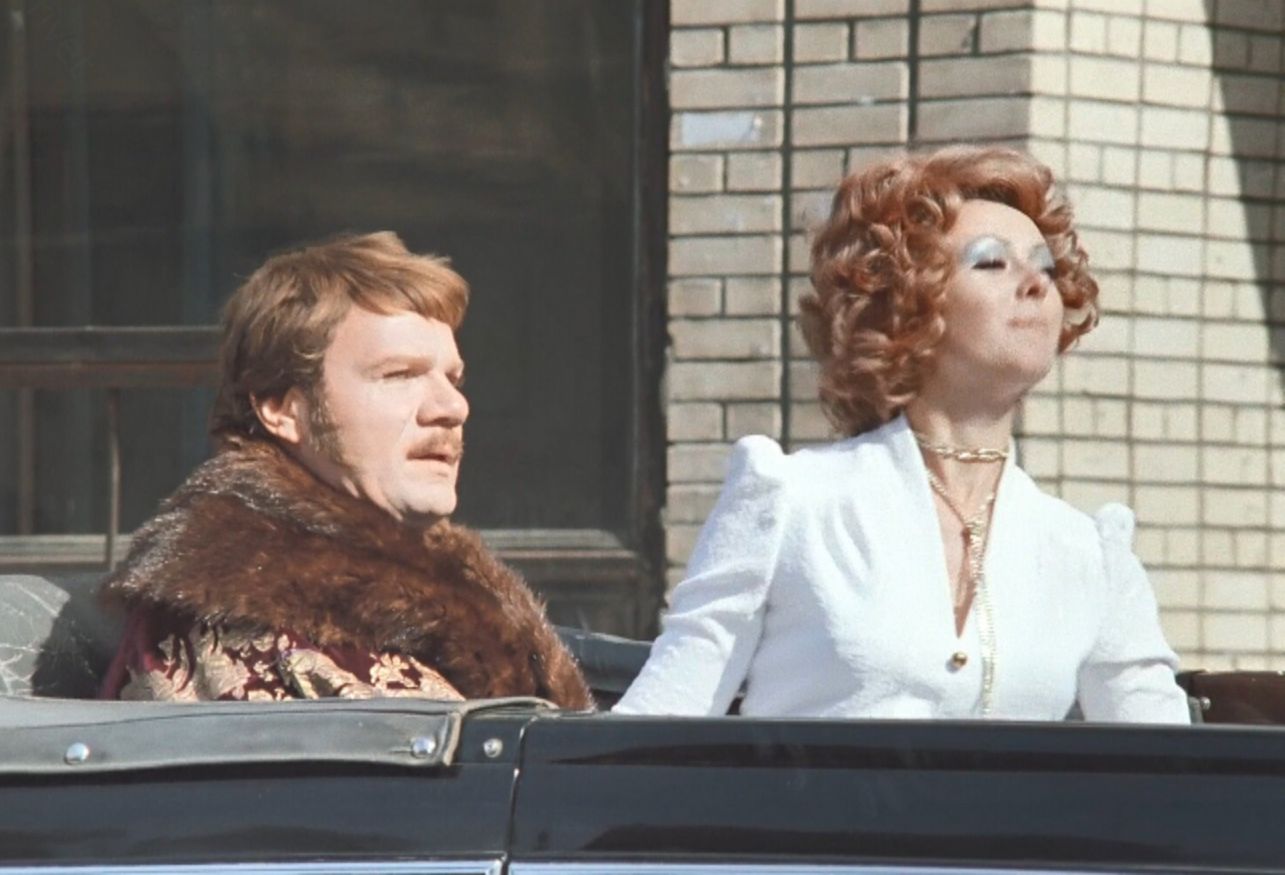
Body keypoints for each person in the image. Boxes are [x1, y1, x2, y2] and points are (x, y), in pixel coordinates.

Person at [616, 146, 1189, 723]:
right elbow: (655, 728)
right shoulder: (791, 502)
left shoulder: (1089, 552)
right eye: (992, 263)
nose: (1036, 285)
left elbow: (1169, 762)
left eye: (1047, 268)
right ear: (905, 304)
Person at [99, 232, 591, 707]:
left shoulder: (450, 585)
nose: (452, 408)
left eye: (453, 379)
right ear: (282, 408)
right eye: (399, 375)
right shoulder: (232, 616)